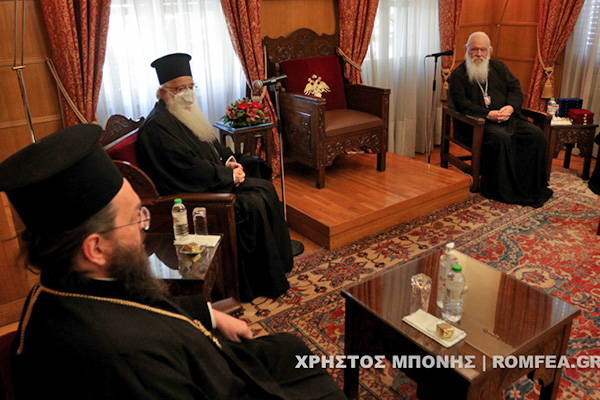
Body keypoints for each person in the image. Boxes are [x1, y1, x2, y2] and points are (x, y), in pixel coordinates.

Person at [0, 125, 346, 399]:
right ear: (96, 248)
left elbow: (136, 305)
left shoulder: (67, 283)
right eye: (136, 217)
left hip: (200, 359)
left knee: (290, 347)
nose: (144, 228)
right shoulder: (123, 360)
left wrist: (210, 315)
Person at [136, 53, 293, 301]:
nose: (188, 93)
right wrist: (228, 176)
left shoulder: (184, 112)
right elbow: (186, 170)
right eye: (180, 88)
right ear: (163, 93)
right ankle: (256, 282)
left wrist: (229, 161)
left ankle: (277, 265)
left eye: (191, 86)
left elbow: (211, 145)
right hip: (192, 196)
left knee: (264, 186)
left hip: (213, 179)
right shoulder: (157, 128)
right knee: (252, 203)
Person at [448, 31, 553, 207]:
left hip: (508, 119)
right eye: (474, 49)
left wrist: (510, 107)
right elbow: (461, 104)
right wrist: (487, 114)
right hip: (477, 124)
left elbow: (515, 89)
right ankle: (502, 189)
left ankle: (528, 184)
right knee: (500, 138)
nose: (479, 54)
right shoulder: (458, 75)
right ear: (466, 49)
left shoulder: (499, 67)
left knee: (536, 135)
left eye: (483, 50)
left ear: (489, 51)